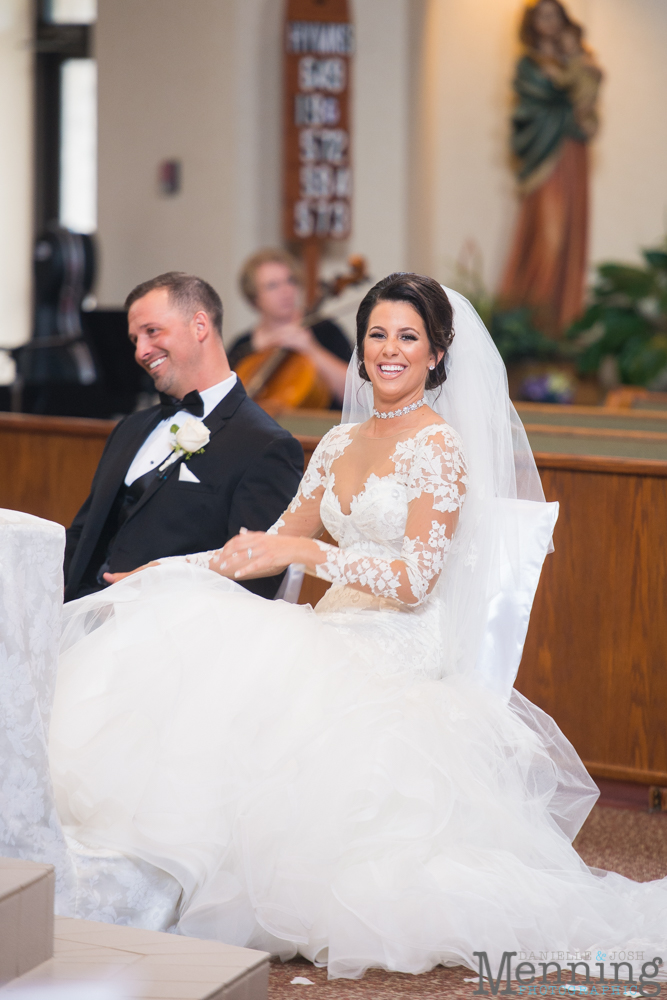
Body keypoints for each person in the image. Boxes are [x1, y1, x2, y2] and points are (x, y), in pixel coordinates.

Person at [51, 274, 666, 981]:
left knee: (264, 678)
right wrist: (168, 573)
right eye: (377, 334)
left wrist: (310, 553)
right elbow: (263, 542)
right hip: (332, 627)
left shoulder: (438, 449)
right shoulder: (340, 441)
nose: (388, 350)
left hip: (397, 644)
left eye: (407, 337)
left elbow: (412, 580)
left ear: (436, 354)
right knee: (208, 636)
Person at [63, 271, 304, 602]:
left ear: (200, 326)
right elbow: (83, 534)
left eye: (152, 332)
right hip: (82, 617)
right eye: (135, 339)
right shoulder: (129, 428)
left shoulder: (266, 446)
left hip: (172, 635)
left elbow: (255, 581)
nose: (141, 351)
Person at [498, 0, 603, 335]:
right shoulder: (529, 66)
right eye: (542, 16)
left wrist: (581, 97)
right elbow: (536, 103)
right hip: (543, 155)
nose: (549, 23)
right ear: (532, 22)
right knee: (548, 235)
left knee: (570, 230)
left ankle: (562, 321)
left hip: (571, 152)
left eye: (555, 16)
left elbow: (587, 98)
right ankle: (534, 317)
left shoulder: (575, 58)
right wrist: (568, 95)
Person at [228, 248, 351, 408]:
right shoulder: (242, 349)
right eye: (272, 286)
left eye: (290, 281)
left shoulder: (325, 330)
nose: (286, 291)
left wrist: (312, 349)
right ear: (254, 299)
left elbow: (357, 395)